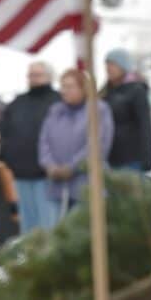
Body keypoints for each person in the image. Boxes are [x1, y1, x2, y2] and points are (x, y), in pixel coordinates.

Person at [39, 68, 113, 221]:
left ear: (83, 88)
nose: (64, 91)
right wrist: (50, 165)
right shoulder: (55, 111)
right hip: (58, 185)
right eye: (62, 86)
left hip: (86, 185)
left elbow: (98, 144)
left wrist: (72, 167)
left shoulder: (98, 110)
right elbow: (44, 141)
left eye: (70, 87)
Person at [0, 61, 61, 234]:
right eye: (31, 75)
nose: (33, 78)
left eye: (38, 74)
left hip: (47, 175)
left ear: (49, 77)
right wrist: (7, 157)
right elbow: (4, 131)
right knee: (27, 226)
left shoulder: (57, 102)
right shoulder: (18, 102)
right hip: (21, 173)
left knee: (48, 225)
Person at [102, 48, 151, 173]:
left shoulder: (136, 90)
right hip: (109, 156)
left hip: (131, 158)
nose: (109, 68)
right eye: (107, 64)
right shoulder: (105, 91)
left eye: (113, 64)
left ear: (123, 67)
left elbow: (145, 125)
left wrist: (147, 158)